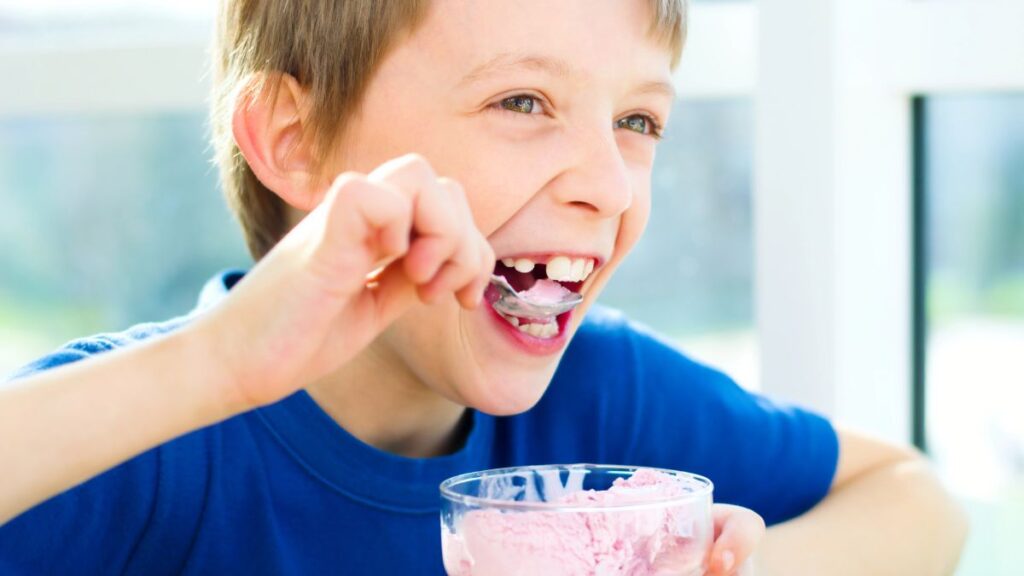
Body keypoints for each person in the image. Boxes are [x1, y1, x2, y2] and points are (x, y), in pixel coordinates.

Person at [0, 0, 966, 574]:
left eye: (638, 120)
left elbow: (919, 500)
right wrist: (208, 367)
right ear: (292, 143)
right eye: (522, 102)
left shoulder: (604, 401)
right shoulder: (155, 442)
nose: (607, 182)